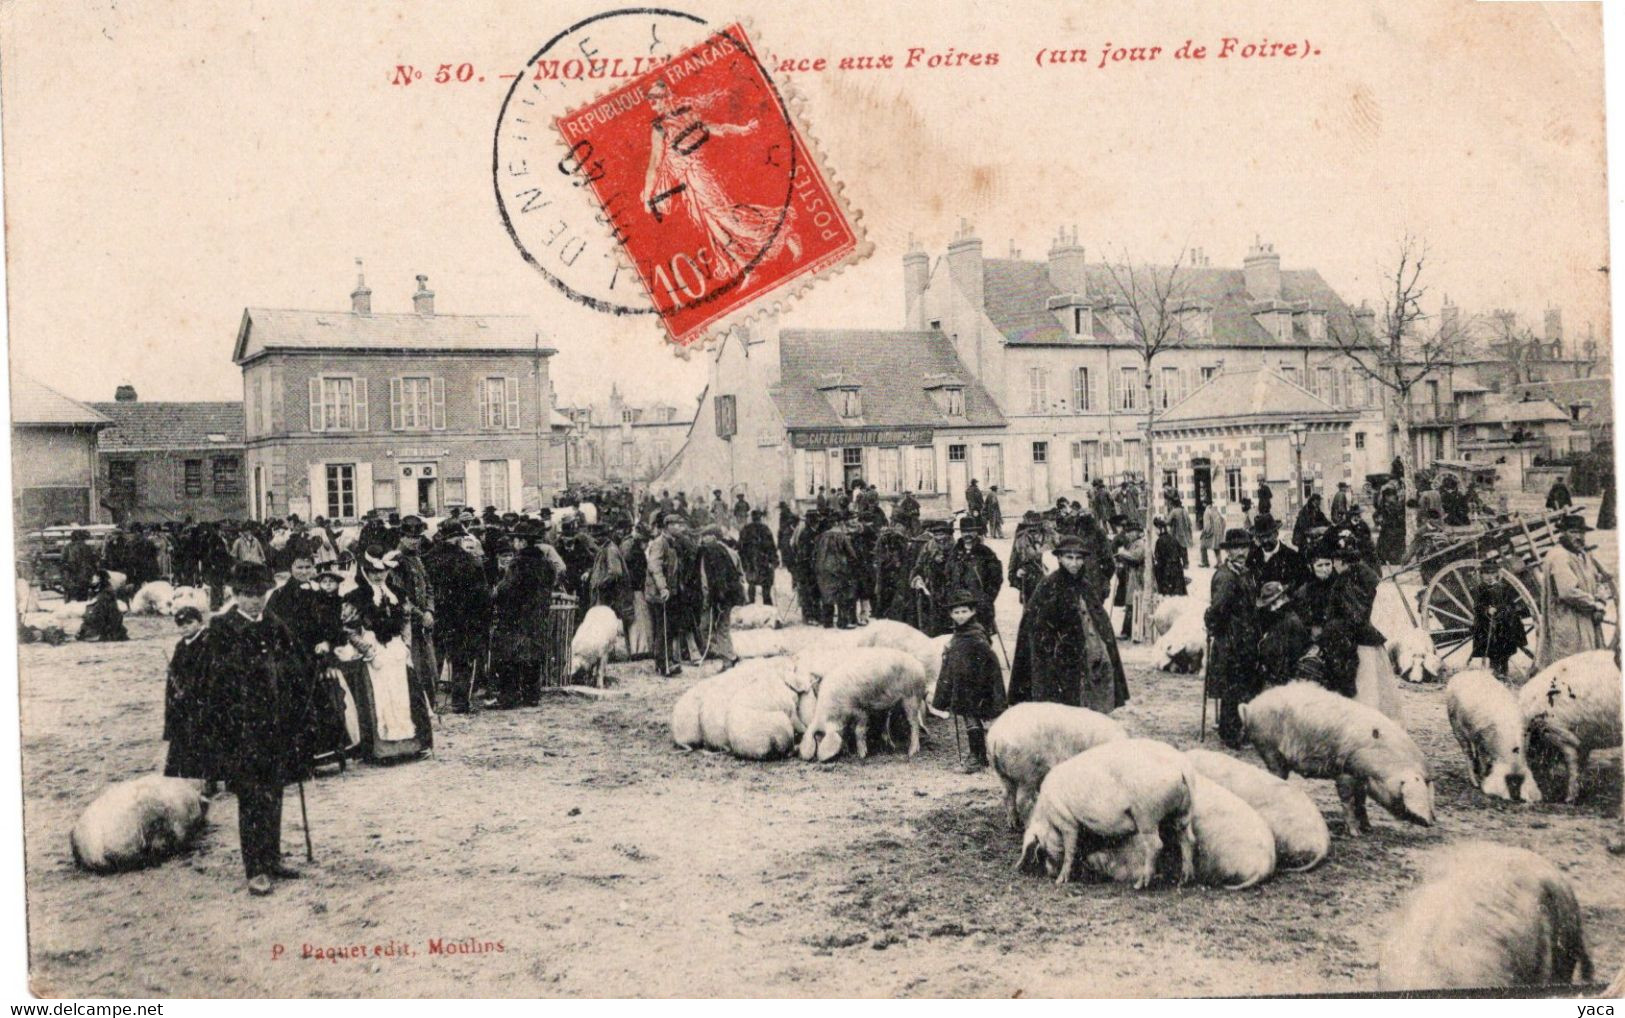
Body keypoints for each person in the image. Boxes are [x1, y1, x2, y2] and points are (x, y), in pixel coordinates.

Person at [193, 562, 316, 896]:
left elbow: (296, 666)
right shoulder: (221, 629)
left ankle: (273, 858)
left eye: (260, 595)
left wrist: (300, 691)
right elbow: (212, 687)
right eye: (248, 596)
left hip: (277, 727)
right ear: (235, 595)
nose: (255, 602)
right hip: (243, 732)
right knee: (251, 798)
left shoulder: (276, 625)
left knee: (275, 791)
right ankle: (256, 868)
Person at [1008, 535, 1127, 713]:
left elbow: (1100, 623)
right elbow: (1034, 627)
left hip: (1087, 658)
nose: (1074, 563)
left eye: (1079, 558)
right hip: (1057, 663)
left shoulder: (1086, 587)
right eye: (1069, 558)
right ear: (1059, 558)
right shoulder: (1048, 586)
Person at [931, 590, 1006, 773]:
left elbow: (988, 661)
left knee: (973, 720)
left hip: (975, 686)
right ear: (951, 615)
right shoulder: (960, 634)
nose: (960, 615)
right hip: (965, 685)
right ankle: (979, 756)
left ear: (972, 612)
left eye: (964, 611)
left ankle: (977, 757)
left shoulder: (975, 635)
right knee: (970, 720)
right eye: (956, 612)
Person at [426, 522, 492, 714]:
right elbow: (482, 595)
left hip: (435, 616)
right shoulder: (469, 561)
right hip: (462, 620)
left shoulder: (428, 559)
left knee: (433, 659)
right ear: (459, 538)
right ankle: (460, 703)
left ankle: (430, 702)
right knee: (461, 661)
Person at [489, 522, 556, 706]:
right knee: (533, 656)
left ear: (523, 542)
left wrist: (495, 592)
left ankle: (508, 697)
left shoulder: (517, 564)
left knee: (508, 656)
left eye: (516, 539)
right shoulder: (546, 563)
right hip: (538, 616)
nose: (514, 543)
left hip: (515, 617)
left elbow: (505, 589)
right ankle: (531, 696)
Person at [1537, 514, 1614, 668]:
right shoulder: (1558, 556)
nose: (1579, 537)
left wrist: (1600, 600)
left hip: (1587, 619)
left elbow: (1598, 579)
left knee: (1587, 663)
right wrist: (1595, 605)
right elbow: (1568, 591)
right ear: (1562, 533)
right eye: (1573, 532)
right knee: (1569, 666)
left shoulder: (1583, 554)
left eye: (1582, 532)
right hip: (1567, 620)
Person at [1207, 528, 1260, 748]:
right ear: (1228, 551)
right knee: (1232, 685)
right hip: (1230, 639)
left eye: (1244, 547)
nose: (1241, 552)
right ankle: (1229, 734)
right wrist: (1215, 628)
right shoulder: (1226, 576)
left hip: (1245, 638)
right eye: (1236, 548)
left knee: (1242, 683)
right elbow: (1217, 609)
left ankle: (1236, 727)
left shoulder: (1244, 572)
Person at [161, 606, 212, 784]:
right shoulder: (181, 645)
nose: (185, 627)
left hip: (200, 702)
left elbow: (206, 673)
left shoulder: (207, 643)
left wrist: (190, 691)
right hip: (182, 703)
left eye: (189, 623)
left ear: (200, 622)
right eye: (180, 624)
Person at [1469, 551, 1529, 680]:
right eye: (1486, 573)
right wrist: (1487, 610)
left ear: (1497, 573)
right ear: (1481, 574)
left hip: (1503, 623)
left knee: (1505, 648)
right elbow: (1477, 606)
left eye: (1492, 573)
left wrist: (1504, 610)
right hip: (1487, 624)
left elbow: (1510, 603)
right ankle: (1495, 672)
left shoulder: (1503, 587)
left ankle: (1504, 671)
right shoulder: (1480, 589)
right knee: (1492, 649)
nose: (1489, 576)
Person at [645, 512, 687, 676]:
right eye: (677, 524)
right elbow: (654, 566)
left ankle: (666, 660)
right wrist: (663, 587)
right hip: (660, 594)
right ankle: (664, 664)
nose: (681, 528)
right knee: (663, 628)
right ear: (668, 526)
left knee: (668, 628)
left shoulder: (672, 543)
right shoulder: (659, 543)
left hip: (671, 592)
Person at [943, 519, 1003, 634]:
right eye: (964, 532)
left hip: (980, 605)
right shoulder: (954, 552)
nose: (967, 534)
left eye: (971, 531)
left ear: (976, 532)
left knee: (982, 636)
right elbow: (947, 575)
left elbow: (996, 579)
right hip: (958, 605)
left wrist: (987, 598)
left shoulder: (986, 553)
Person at [697, 526, 744, 664]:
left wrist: (709, 599)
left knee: (715, 626)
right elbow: (739, 575)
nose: (702, 539)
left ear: (712, 537)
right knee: (722, 626)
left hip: (718, 596)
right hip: (729, 595)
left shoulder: (709, 552)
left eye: (705, 536)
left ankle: (727, 658)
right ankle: (728, 655)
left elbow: (705, 578)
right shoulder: (729, 551)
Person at [1256, 581, 1311, 689]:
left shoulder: (1291, 621)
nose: (1273, 608)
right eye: (1269, 605)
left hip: (1285, 680)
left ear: (1284, 598)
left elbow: (1294, 655)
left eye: (1275, 603)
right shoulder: (1277, 619)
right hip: (1274, 676)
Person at [814, 513, 859, 629]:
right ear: (839, 523)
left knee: (827, 594)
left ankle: (827, 622)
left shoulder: (822, 536)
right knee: (842, 595)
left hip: (823, 567)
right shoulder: (842, 536)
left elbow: (815, 553)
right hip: (839, 568)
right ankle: (842, 622)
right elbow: (851, 554)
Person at [1245, 513, 1309, 592]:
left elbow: (1302, 584)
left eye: (1268, 536)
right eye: (1261, 537)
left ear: (1276, 533)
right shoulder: (1252, 558)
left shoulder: (1292, 557)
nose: (1265, 540)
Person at [738, 511, 778, 608]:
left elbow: (740, 547)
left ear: (752, 518)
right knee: (766, 587)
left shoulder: (746, 529)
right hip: (764, 562)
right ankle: (767, 608)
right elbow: (772, 547)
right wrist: (774, 560)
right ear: (760, 518)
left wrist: (743, 561)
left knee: (752, 584)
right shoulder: (765, 529)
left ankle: (751, 607)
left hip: (751, 562)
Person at [1008, 511, 1049, 605]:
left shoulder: (1048, 539)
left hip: (1047, 582)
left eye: (1036, 527)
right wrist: (1016, 573)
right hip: (1028, 582)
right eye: (1030, 528)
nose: (1033, 531)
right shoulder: (1020, 541)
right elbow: (1013, 562)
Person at [77, 570, 128, 642]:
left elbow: (101, 609)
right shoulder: (104, 590)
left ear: (100, 579)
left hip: (107, 621)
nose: (93, 580)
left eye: (95, 578)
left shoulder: (106, 592)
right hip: (108, 618)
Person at [1152, 517, 1186, 596]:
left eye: (1156, 528)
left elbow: (1158, 557)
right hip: (1177, 568)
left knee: (1167, 593)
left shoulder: (1160, 541)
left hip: (1167, 571)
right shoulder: (1173, 538)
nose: (1155, 531)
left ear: (1160, 529)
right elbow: (1182, 553)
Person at [61, 529, 97, 602]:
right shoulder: (86, 547)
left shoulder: (67, 547)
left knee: (71, 593)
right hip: (84, 574)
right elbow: (92, 559)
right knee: (83, 593)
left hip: (72, 573)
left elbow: (63, 560)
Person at [1166, 494, 1192, 567]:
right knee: (1184, 548)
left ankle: (1177, 563)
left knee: (1175, 548)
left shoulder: (1174, 511)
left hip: (1176, 532)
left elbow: (1168, 521)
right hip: (1184, 532)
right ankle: (1186, 563)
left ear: (1173, 504)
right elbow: (1189, 522)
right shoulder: (1184, 511)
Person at [1199, 499, 1225, 569]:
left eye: (1203, 503)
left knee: (1202, 546)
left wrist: (1204, 533)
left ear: (1205, 504)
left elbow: (1207, 525)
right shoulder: (1215, 510)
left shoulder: (1206, 512)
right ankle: (1219, 563)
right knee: (1216, 547)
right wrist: (1221, 531)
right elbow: (1223, 520)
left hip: (1211, 533)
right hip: (1218, 533)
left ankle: (1205, 562)